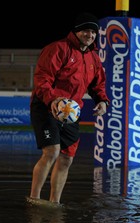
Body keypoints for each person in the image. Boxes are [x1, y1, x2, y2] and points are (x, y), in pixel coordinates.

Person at [28, 12, 110, 206]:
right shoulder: (57, 49)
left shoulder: (93, 58)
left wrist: (103, 101)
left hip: (71, 113)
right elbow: (42, 79)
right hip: (46, 106)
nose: (89, 35)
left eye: (93, 32)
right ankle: (33, 199)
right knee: (52, 152)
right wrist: (53, 100)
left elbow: (98, 85)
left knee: (66, 159)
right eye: (85, 31)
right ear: (76, 31)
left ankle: (54, 203)